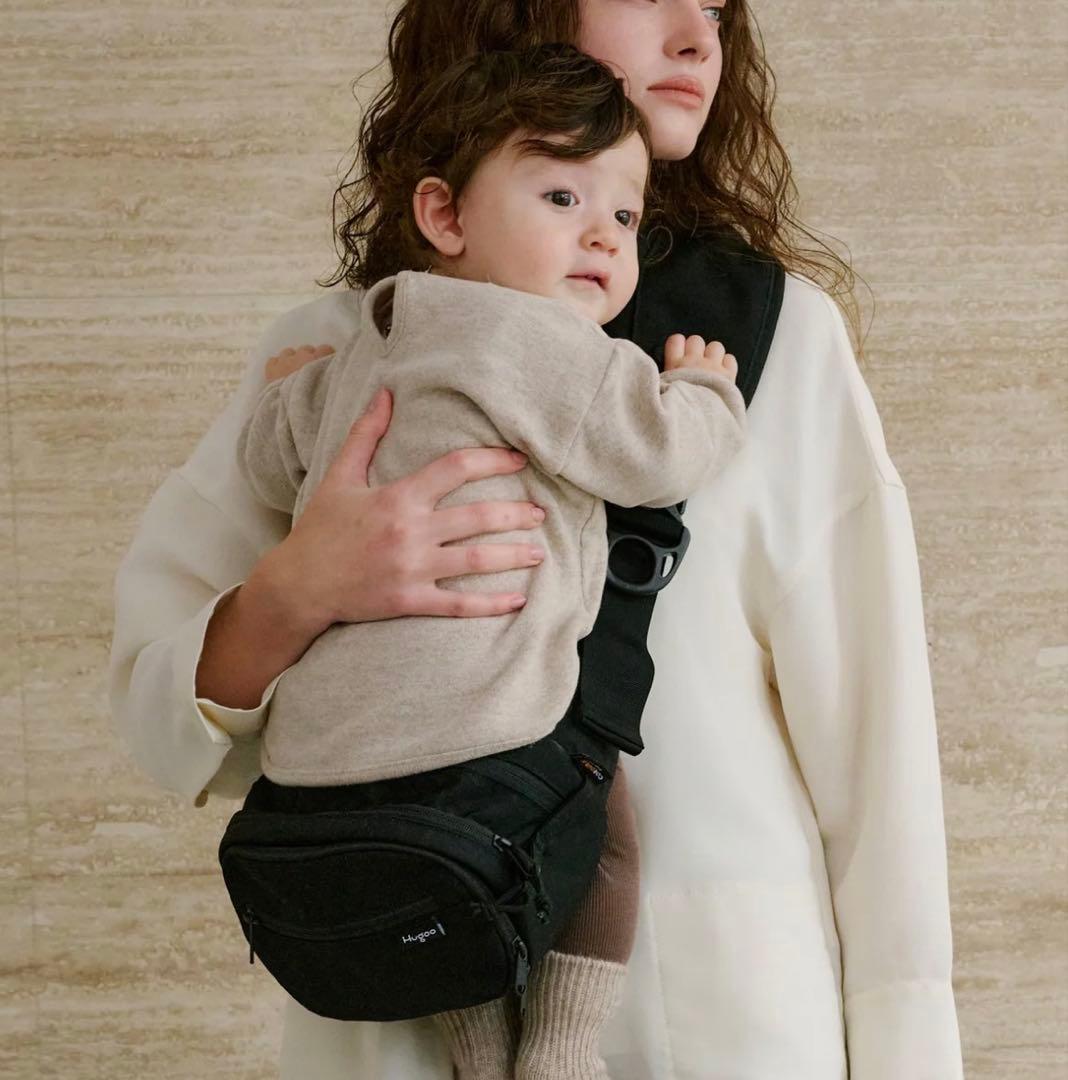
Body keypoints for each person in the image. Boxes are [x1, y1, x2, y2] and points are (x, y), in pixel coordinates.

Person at [108, 1, 965, 1077]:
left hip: (721, 1023)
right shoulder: (336, 353)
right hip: (405, 993)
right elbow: (157, 718)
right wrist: (297, 592)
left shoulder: (769, 341)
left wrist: (909, 1050)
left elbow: (876, 752)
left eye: (714, 8)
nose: (699, 37)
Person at [234, 45, 745, 1079]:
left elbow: (270, 461)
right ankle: (559, 1050)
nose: (601, 234)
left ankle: (474, 1050)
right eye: (562, 197)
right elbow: (654, 457)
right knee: (604, 836)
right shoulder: (544, 341)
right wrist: (703, 391)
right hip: (480, 712)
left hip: (326, 749)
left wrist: (285, 390)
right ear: (446, 216)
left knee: (447, 877)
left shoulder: (373, 337)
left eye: (625, 216)